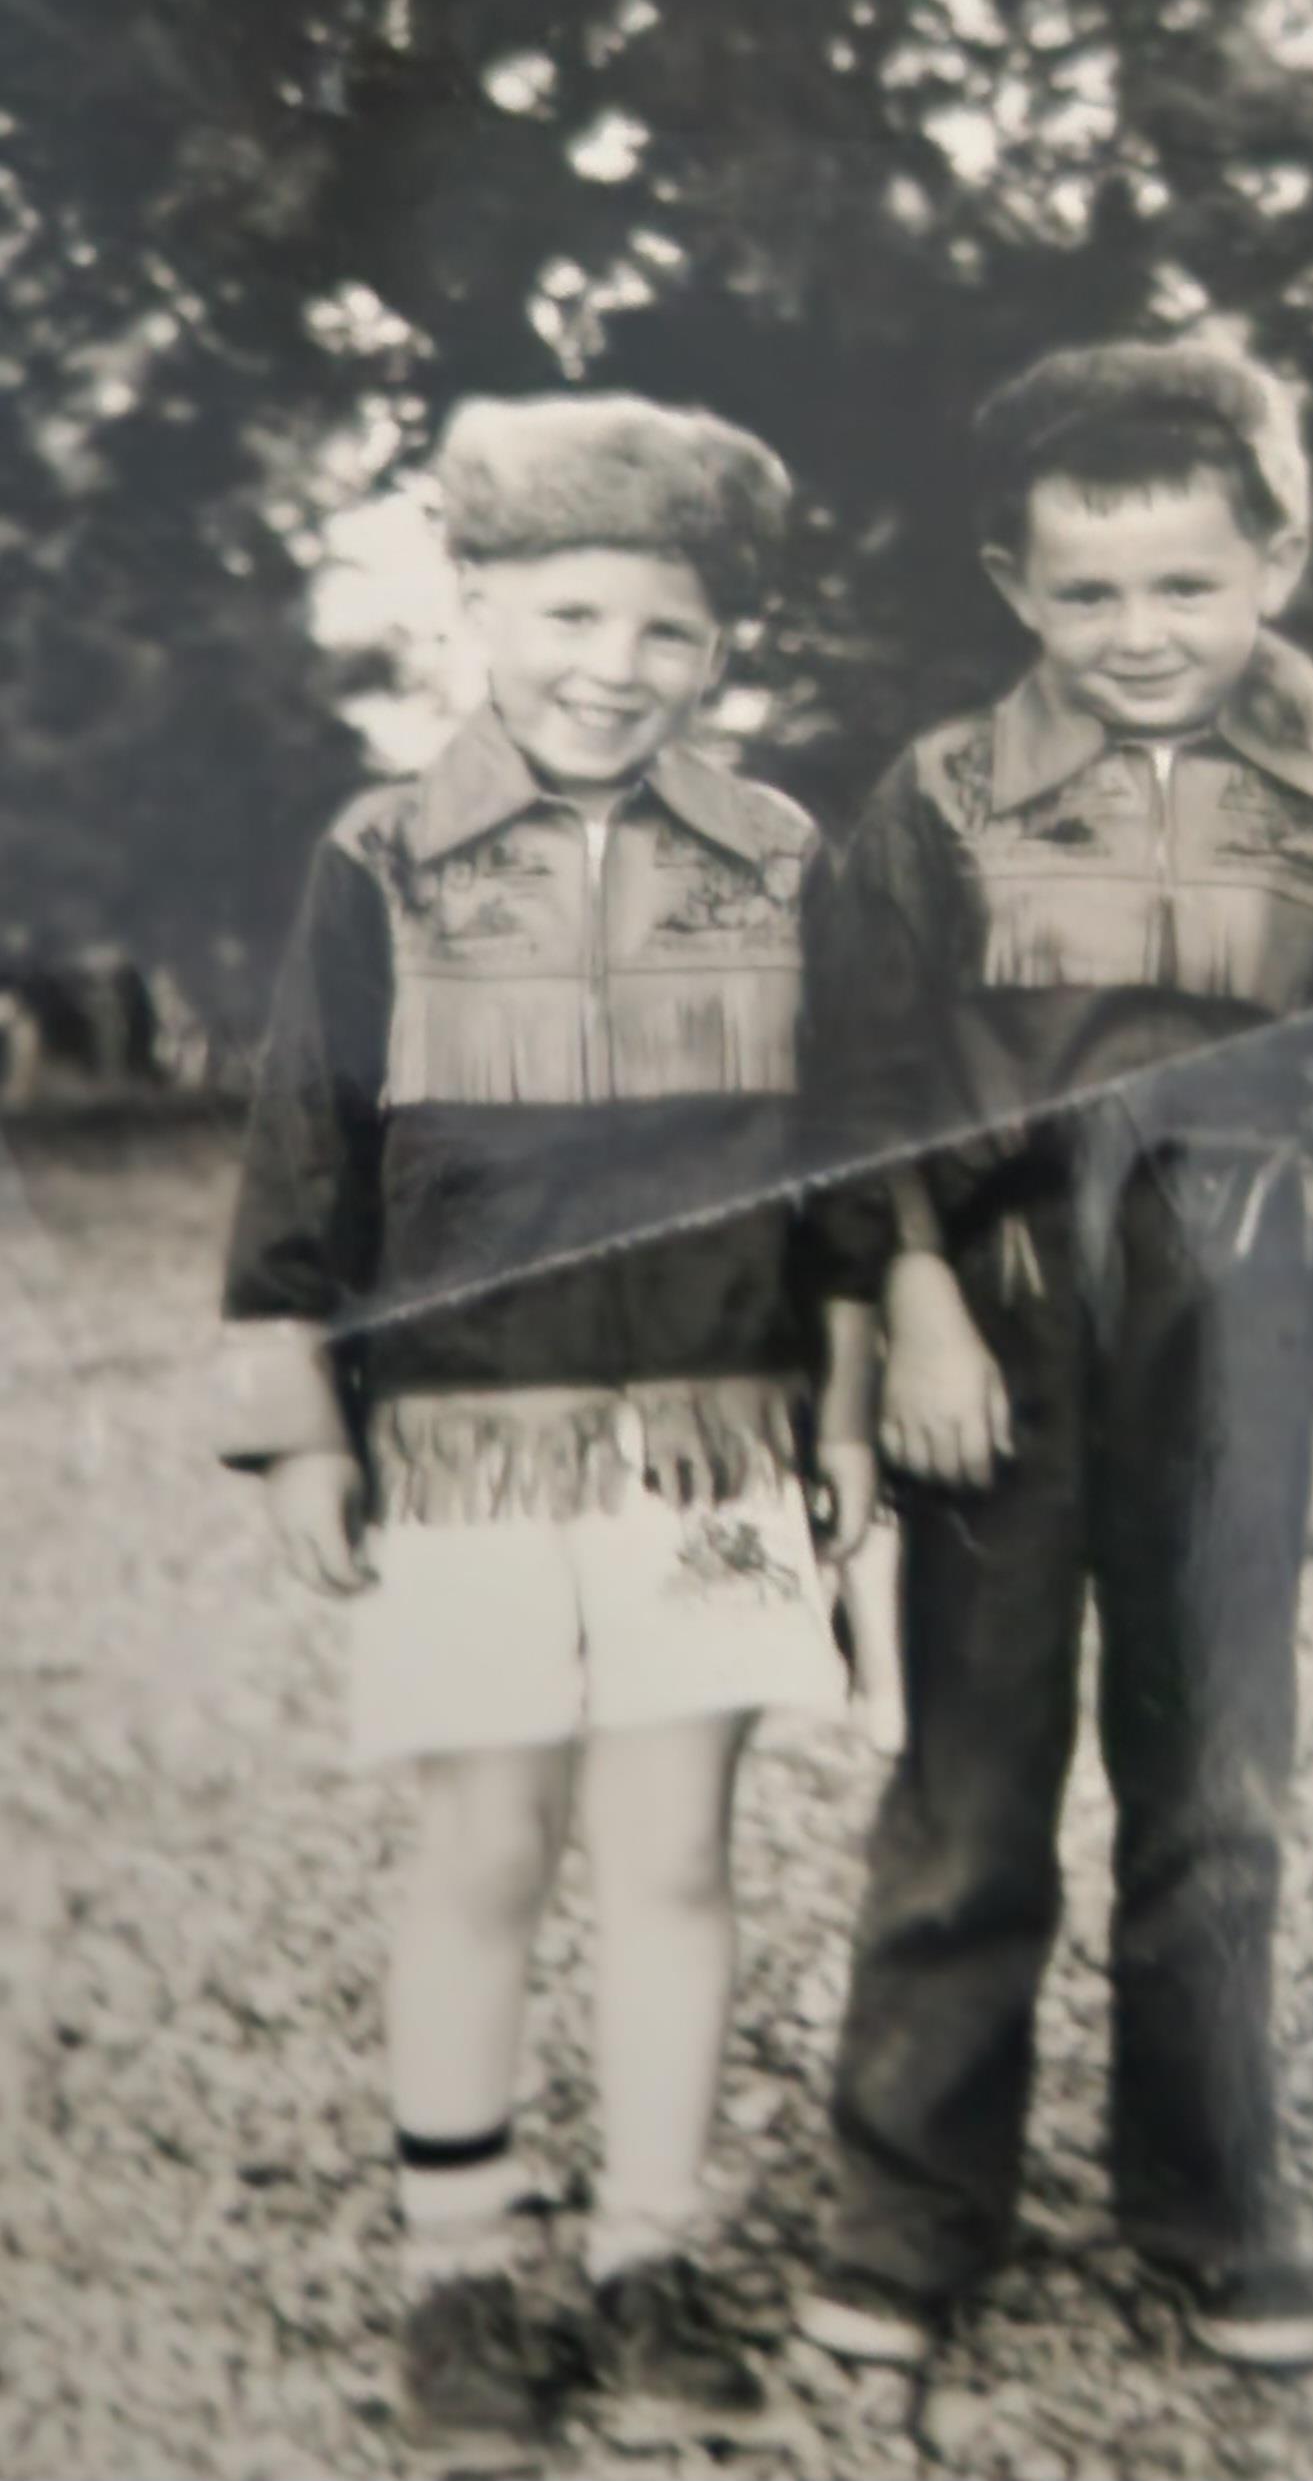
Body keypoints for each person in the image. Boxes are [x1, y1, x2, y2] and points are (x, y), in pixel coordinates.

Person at [212, 393, 884, 2465]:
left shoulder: (780, 857)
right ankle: (458, 2274)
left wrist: (846, 1391)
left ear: (720, 650)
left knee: (677, 1855)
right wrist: (304, 1420)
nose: (614, 663)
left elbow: (846, 1154)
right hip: (469, 1440)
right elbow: (303, 1151)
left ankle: (650, 2257)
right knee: (486, 1844)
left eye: (667, 629)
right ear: (477, 604)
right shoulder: (381, 854)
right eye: (569, 609)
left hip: (713, 1435)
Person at [795, 339, 1313, 2377]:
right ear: (1015, 587)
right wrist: (910, 1298)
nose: (1141, 632)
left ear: (1276, 559)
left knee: (1215, 1798)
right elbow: (868, 1083)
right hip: (996, 1327)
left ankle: (1207, 2197)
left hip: (1244, 1327)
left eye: (1186, 583)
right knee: (974, 1789)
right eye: (1088, 594)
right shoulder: (939, 800)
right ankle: (911, 2215)